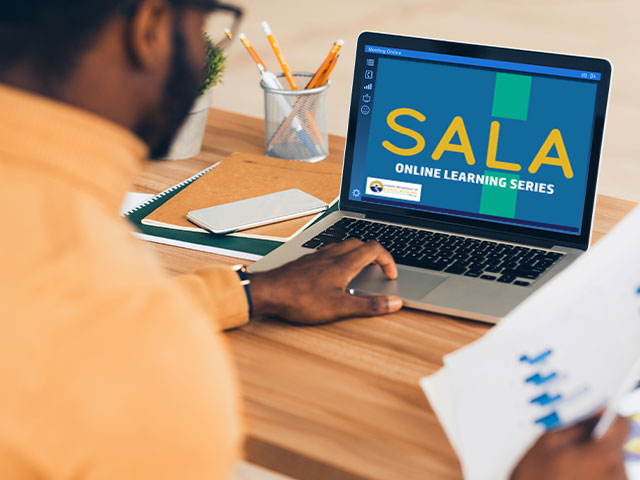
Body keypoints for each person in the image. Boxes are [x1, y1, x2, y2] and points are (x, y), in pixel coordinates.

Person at [0, 1, 629, 478]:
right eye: (205, 21)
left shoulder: (86, 289)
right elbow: (96, 329)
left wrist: (251, 293)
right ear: (151, 28)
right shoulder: (149, 360)